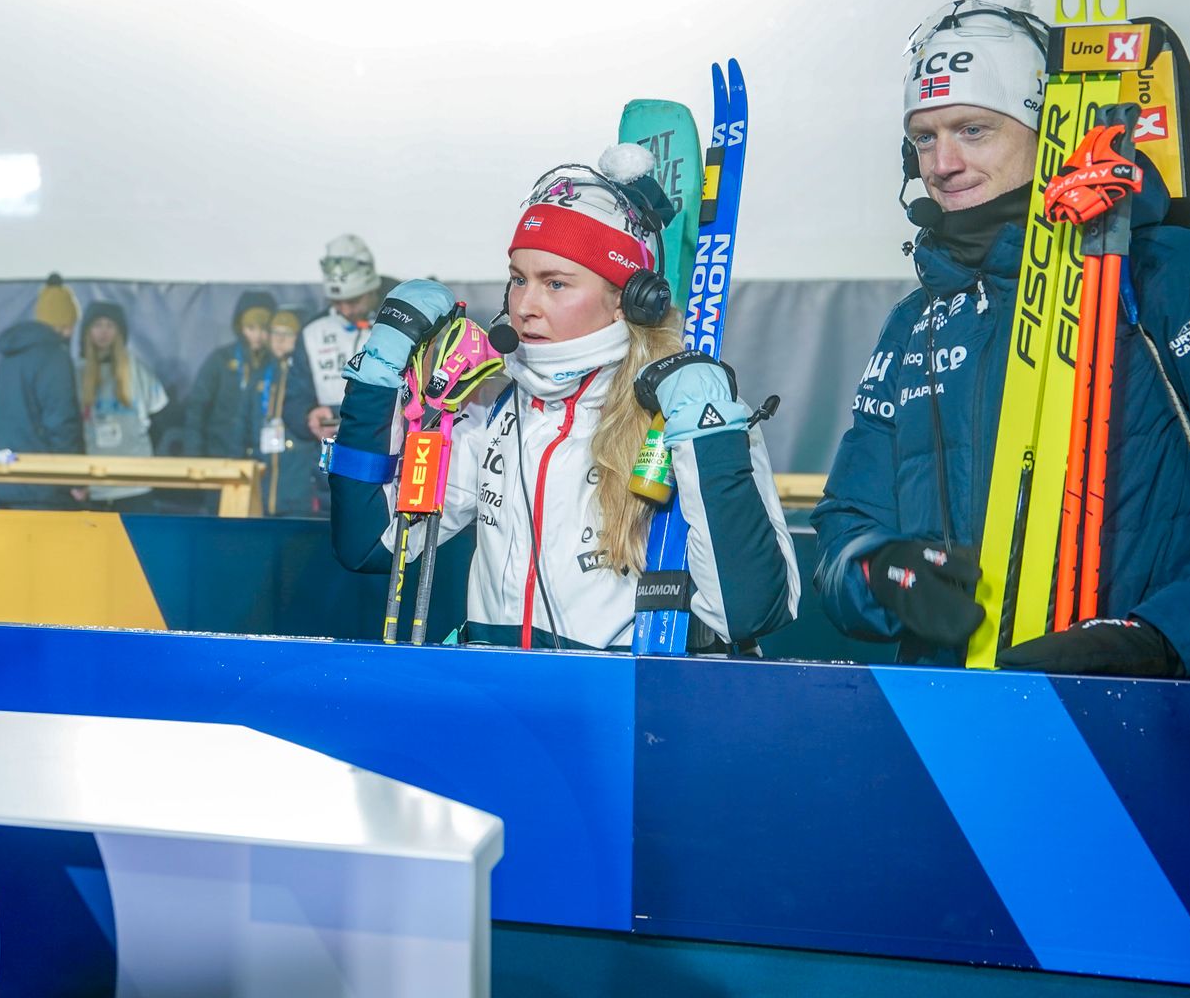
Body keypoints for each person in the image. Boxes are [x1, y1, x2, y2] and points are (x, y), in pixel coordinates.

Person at [814, 0, 1190, 677]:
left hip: (1151, 726)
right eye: (923, 138)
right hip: (961, 723)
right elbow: (845, 527)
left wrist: (1157, 637)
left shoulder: (1168, 273)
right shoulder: (915, 324)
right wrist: (880, 572)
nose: (943, 163)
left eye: (974, 129)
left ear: (1047, 126)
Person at [328, 145, 798, 649]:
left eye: (556, 283)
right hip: (500, 705)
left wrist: (710, 442)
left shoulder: (681, 411)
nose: (526, 306)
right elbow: (369, 546)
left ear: (627, 300)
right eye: (518, 279)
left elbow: (751, 613)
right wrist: (373, 385)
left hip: (625, 709)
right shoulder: (492, 417)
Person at [0, 273, 84, 507]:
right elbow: (60, 421)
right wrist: (75, 476)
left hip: (4, 477)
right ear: (66, 324)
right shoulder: (54, 356)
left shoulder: (12, 354)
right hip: (41, 483)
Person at [301, 233, 399, 445]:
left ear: (371, 289)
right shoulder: (313, 331)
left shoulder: (401, 325)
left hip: (389, 443)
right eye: (337, 301)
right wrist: (309, 415)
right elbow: (295, 394)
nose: (345, 309)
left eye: (353, 300)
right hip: (330, 450)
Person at [77, 300, 169, 507]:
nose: (103, 332)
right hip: (94, 484)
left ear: (119, 331)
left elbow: (159, 419)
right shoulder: (78, 373)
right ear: (87, 331)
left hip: (134, 483)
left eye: (110, 325)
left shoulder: (136, 370)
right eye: (97, 325)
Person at [180, 289, 275, 457]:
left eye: (264, 329)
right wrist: (193, 452)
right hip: (218, 452)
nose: (258, 336)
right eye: (251, 328)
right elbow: (197, 409)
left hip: (263, 454)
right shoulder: (221, 359)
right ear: (240, 327)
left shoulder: (277, 364)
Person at [255, 305, 320, 516]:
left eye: (287, 333)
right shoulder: (261, 372)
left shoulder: (307, 374)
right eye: (275, 332)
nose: (279, 339)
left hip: (299, 478)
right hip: (263, 476)